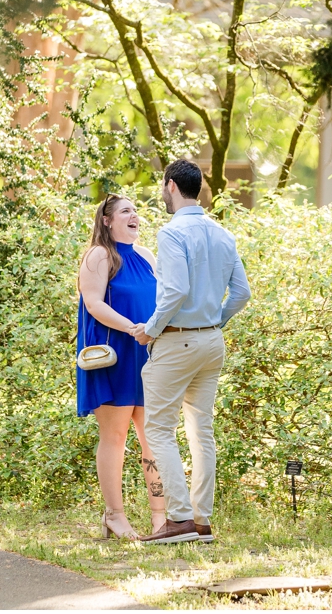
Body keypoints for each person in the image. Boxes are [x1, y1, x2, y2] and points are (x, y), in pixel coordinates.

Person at [129, 159, 251, 545]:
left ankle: (179, 519)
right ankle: (202, 521)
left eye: (162, 187)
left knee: (158, 429)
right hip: (212, 342)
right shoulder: (223, 234)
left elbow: (176, 290)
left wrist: (150, 330)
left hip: (177, 341)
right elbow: (242, 293)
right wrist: (213, 322)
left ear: (170, 186)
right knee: (202, 430)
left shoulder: (172, 233)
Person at [76, 193, 168, 540]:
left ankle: (160, 517)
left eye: (136, 211)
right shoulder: (99, 255)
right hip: (114, 356)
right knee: (114, 437)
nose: (134, 216)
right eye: (126, 211)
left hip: (149, 355)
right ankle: (114, 515)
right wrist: (132, 328)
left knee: (153, 438)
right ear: (107, 220)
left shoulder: (146, 256)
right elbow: (93, 304)